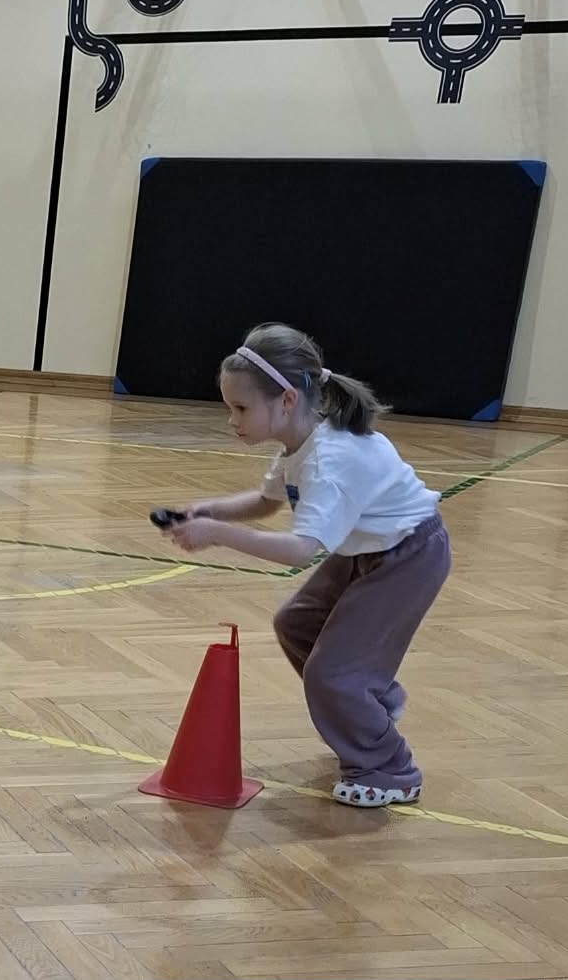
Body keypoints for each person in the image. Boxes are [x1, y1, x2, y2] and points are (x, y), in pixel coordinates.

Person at [161, 323, 450, 807]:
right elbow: (266, 501)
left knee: (333, 674)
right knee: (297, 624)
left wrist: (217, 535)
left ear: (287, 400)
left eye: (241, 408)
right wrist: (206, 511)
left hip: (409, 556)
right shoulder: (299, 443)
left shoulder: (329, 461)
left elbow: (300, 551)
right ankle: (369, 708)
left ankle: (390, 768)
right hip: (367, 549)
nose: (232, 420)